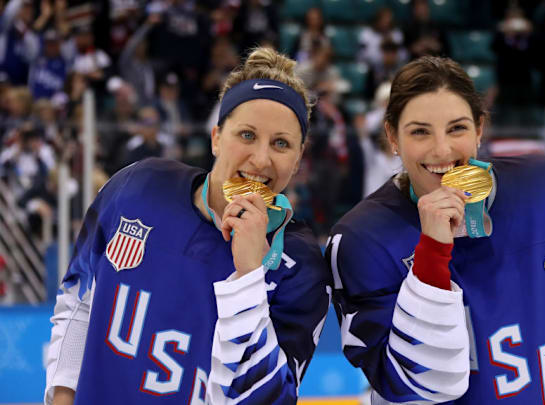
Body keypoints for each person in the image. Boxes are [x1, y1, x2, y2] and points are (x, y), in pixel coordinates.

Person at [327, 55, 545, 404]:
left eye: (458, 128)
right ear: (392, 137)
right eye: (420, 132)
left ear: (480, 128)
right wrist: (433, 254)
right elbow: (418, 389)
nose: (442, 149)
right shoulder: (362, 240)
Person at [45, 47, 331, 405]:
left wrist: (247, 276)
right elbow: (79, 301)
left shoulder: (300, 266)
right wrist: (63, 395)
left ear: (298, 158)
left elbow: (264, 399)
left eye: (281, 143)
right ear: (215, 138)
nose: (261, 159)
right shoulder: (136, 187)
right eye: (246, 135)